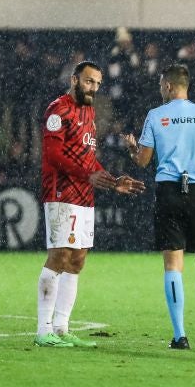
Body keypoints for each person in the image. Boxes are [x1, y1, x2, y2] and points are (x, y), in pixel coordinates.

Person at [124, 63, 195, 351]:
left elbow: (143, 161)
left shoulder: (156, 116)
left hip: (169, 192)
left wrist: (131, 149)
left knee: (173, 265)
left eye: (162, 84)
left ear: (170, 86)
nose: (160, 88)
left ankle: (180, 336)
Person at [35, 61, 146, 348]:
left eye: (97, 83)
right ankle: (43, 329)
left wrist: (111, 180)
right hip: (62, 193)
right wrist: (89, 174)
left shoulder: (89, 112)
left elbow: (87, 158)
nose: (93, 87)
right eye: (88, 81)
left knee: (78, 260)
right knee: (59, 256)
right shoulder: (57, 110)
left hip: (84, 195)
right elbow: (54, 154)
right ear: (74, 80)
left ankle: (61, 328)